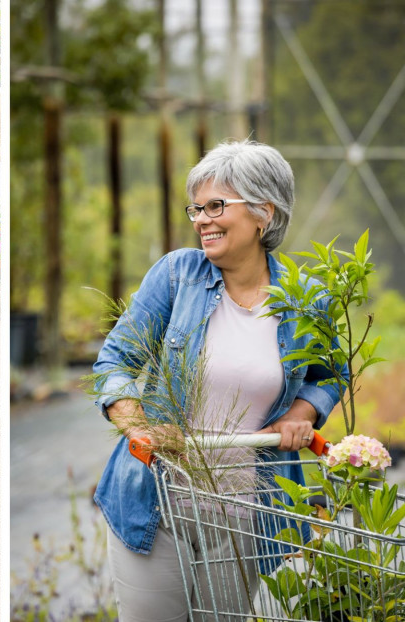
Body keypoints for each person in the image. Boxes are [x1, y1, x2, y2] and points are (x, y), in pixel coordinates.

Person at [91, 140, 347, 622]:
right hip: (157, 503)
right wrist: (139, 427)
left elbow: (332, 371)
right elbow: (115, 362)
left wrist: (302, 412)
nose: (202, 219)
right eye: (197, 208)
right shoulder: (176, 276)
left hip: (247, 517)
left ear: (262, 214)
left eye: (216, 206)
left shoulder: (305, 297)